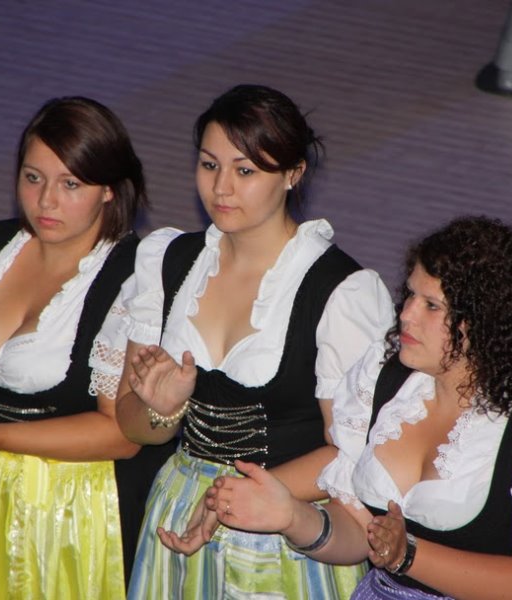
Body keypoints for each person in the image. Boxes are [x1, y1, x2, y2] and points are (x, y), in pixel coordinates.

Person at [206, 216, 512, 600]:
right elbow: (359, 533)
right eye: (409, 295)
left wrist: (408, 555)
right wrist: (292, 517)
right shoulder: (384, 381)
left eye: (431, 305)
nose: (405, 314)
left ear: (487, 322)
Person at [115, 84, 395, 599]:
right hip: (179, 511)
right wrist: (163, 410)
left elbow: (354, 451)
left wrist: (242, 493)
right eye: (209, 165)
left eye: (245, 171)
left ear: (293, 174)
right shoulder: (168, 262)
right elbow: (133, 426)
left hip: (282, 527)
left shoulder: (340, 292)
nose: (221, 188)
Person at [0, 97, 175, 599]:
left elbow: (121, 435)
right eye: (33, 178)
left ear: (108, 190)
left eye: (70, 184)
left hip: (78, 512)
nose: (46, 201)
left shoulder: (133, 278)